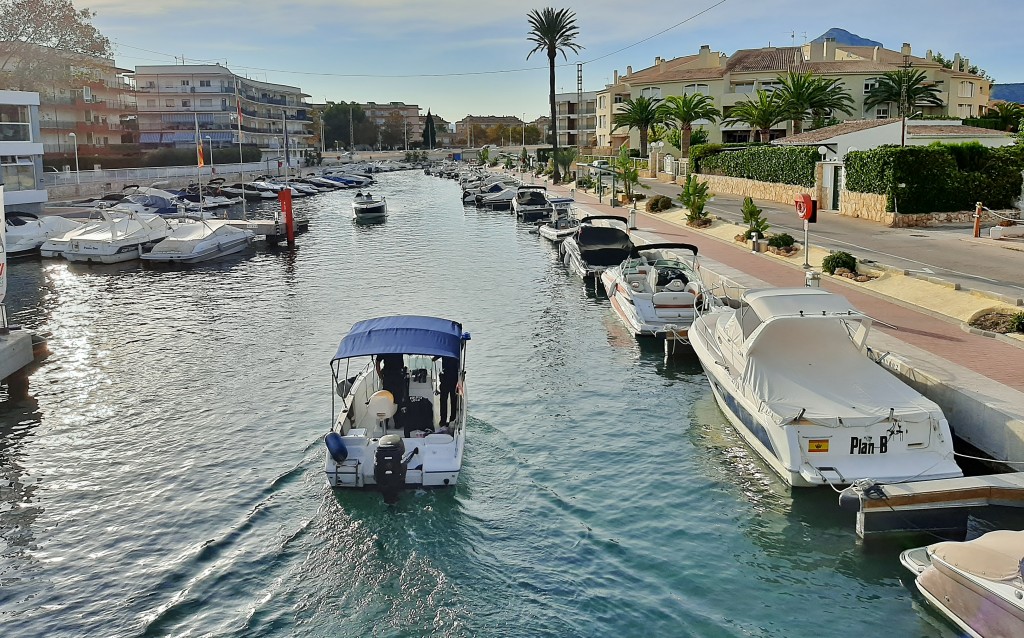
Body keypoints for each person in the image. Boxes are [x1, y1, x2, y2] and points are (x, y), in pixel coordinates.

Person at [434, 355, 459, 425]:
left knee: (444, 400)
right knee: (453, 399)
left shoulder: (445, 348)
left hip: (446, 377)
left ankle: (443, 420)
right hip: (454, 377)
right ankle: (452, 419)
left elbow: (435, 358)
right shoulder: (454, 349)